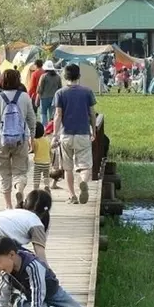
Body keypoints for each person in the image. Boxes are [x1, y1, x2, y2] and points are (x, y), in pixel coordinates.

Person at [0, 236, 84, 307]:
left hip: (52, 292)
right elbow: (3, 292)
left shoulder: (31, 265)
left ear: (11, 254)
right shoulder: (6, 270)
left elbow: (38, 288)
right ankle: (15, 305)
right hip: (30, 297)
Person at [0, 70, 36, 209]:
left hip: (2, 141)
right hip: (21, 139)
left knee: (4, 173)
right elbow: (32, 119)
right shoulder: (24, 97)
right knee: (20, 171)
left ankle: (8, 205)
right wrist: (32, 137)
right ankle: (19, 191)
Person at [52, 64, 97, 205]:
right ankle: (83, 182)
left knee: (68, 167)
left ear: (65, 77)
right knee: (85, 165)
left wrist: (55, 134)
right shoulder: (87, 92)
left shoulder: (60, 93)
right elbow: (92, 113)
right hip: (83, 133)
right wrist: (93, 130)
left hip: (66, 134)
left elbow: (58, 115)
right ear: (79, 76)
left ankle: (72, 196)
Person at [36, 61, 62, 127]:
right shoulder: (58, 77)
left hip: (44, 98)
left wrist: (37, 99)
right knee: (52, 114)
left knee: (43, 113)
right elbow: (60, 88)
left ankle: (45, 127)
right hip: (54, 98)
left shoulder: (43, 76)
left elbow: (40, 89)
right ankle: (51, 128)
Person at [32, 122, 51, 193]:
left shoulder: (35, 141)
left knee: (36, 177)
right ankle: (46, 186)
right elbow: (50, 150)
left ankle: (36, 190)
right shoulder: (47, 140)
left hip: (38, 162)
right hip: (47, 162)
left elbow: (33, 150)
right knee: (46, 176)